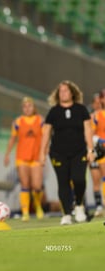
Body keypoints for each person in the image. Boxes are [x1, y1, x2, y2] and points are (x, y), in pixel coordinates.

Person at [39, 80, 95, 225]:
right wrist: (42, 152)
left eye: (66, 90)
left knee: (79, 179)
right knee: (63, 182)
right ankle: (66, 214)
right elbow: (46, 133)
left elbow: (88, 129)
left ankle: (79, 206)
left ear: (72, 93)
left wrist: (90, 149)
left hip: (79, 151)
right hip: (58, 153)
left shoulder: (81, 109)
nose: (63, 93)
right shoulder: (54, 112)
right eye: (61, 91)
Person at [4, 97, 44, 221]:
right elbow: (12, 138)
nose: (27, 108)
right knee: (25, 184)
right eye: (25, 106)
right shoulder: (18, 122)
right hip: (22, 157)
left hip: (36, 157)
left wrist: (44, 153)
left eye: (29, 106)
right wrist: (7, 154)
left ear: (34, 107)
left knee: (37, 186)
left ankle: (37, 205)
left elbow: (45, 138)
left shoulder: (40, 120)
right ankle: (25, 212)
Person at [90, 90, 105, 217]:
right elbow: (90, 135)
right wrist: (100, 140)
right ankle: (99, 205)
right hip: (99, 151)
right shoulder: (95, 116)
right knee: (97, 179)